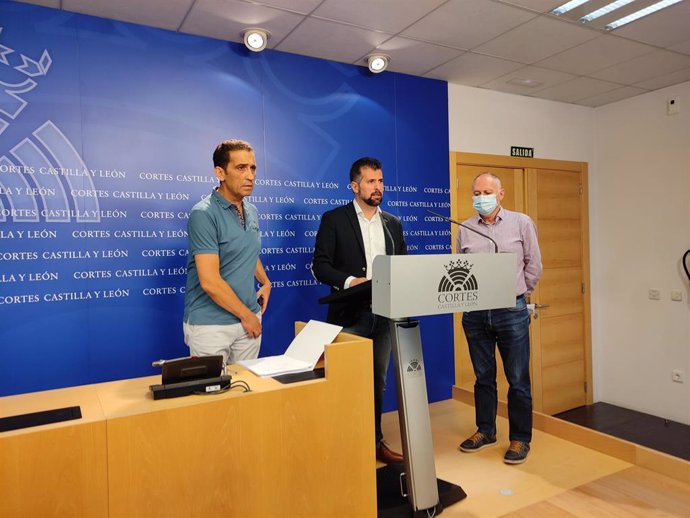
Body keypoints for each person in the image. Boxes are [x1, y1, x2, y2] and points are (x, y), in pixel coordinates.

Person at [312, 157, 406, 464]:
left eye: (380, 181)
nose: (377, 187)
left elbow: (401, 266)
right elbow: (321, 266)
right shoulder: (334, 219)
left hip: (384, 314)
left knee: (376, 382)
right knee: (345, 382)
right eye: (370, 181)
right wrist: (352, 281)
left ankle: (374, 441)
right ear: (355, 186)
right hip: (350, 315)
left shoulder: (392, 223)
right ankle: (342, 446)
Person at [456, 172, 542, 465]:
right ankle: (486, 430)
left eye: (486, 192)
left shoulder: (521, 222)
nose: (481, 197)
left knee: (517, 379)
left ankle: (520, 438)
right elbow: (461, 269)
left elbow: (534, 265)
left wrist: (520, 294)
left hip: (511, 311)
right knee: (483, 378)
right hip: (476, 314)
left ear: (500, 194)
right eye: (476, 192)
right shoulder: (465, 229)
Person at [183, 139, 271, 365]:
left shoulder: (251, 210)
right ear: (220, 172)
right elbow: (210, 281)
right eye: (241, 168)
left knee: (244, 396)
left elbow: (246, 250)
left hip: (248, 322)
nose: (250, 175)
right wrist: (247, 316)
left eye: (252, 168)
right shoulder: (203, 214)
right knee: (212, 397)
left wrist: (265, 281)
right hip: (211, 326)